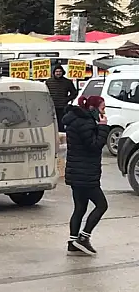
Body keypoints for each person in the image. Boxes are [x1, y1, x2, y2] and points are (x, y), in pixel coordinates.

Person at [62, 95, 109, 256]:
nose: (104, 112)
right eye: (102, 108)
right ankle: (83, 237)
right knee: (102, 205)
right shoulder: (85, 123)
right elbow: (94, 146)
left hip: (77, 172)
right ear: (93, 108)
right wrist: (103, 127)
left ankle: (72, 243)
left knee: (80, 207)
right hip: (85, 174)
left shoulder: (76, 120)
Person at [45, 65, 77, 132]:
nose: (58, 73)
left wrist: (66, 99)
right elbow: (45, 93)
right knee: (52, 124)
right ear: (54, 72)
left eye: (60, 71)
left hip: (62, 107)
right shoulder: (48, 82)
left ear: (63, 72)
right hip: (51, 107)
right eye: (57, 71)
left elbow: (74, 93)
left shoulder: (67, 82)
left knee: (61, 124)